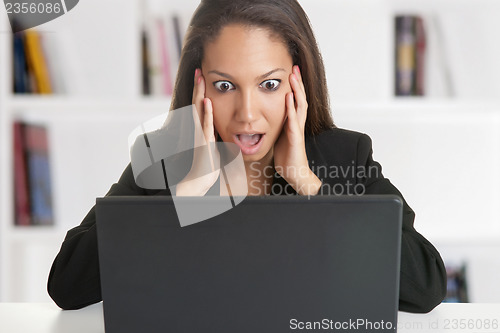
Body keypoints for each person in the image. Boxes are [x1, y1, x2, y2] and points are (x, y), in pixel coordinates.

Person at [47, 0, 447, 313]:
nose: (248, 114)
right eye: (225, 86)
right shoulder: (163, 156)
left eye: (269, 84)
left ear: (297, 81)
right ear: (198, 85)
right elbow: (67, 285)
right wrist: (180, 202)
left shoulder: (344, 155)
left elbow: (425, 285)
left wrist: (310, 186)